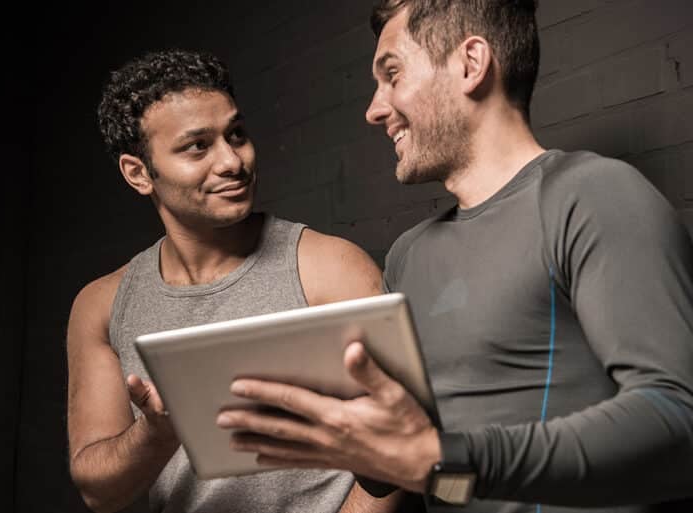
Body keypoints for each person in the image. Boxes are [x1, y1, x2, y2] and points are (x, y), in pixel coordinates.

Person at [215, 1, 693, 511]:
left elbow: (679, 421)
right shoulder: (408, 255)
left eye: (392, 74)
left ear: (471, 63)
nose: (374, 110)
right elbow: (424, 476)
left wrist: (441, 458)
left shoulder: (591, 195)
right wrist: (355, 435)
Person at [65, 48, 406, 513]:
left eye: (237, 135)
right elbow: (98, 491)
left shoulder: (330, 268)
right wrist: (158, 432)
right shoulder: (102, 305)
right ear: (139, 173)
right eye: (197, 146)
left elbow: (402, 447)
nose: (232, 161)